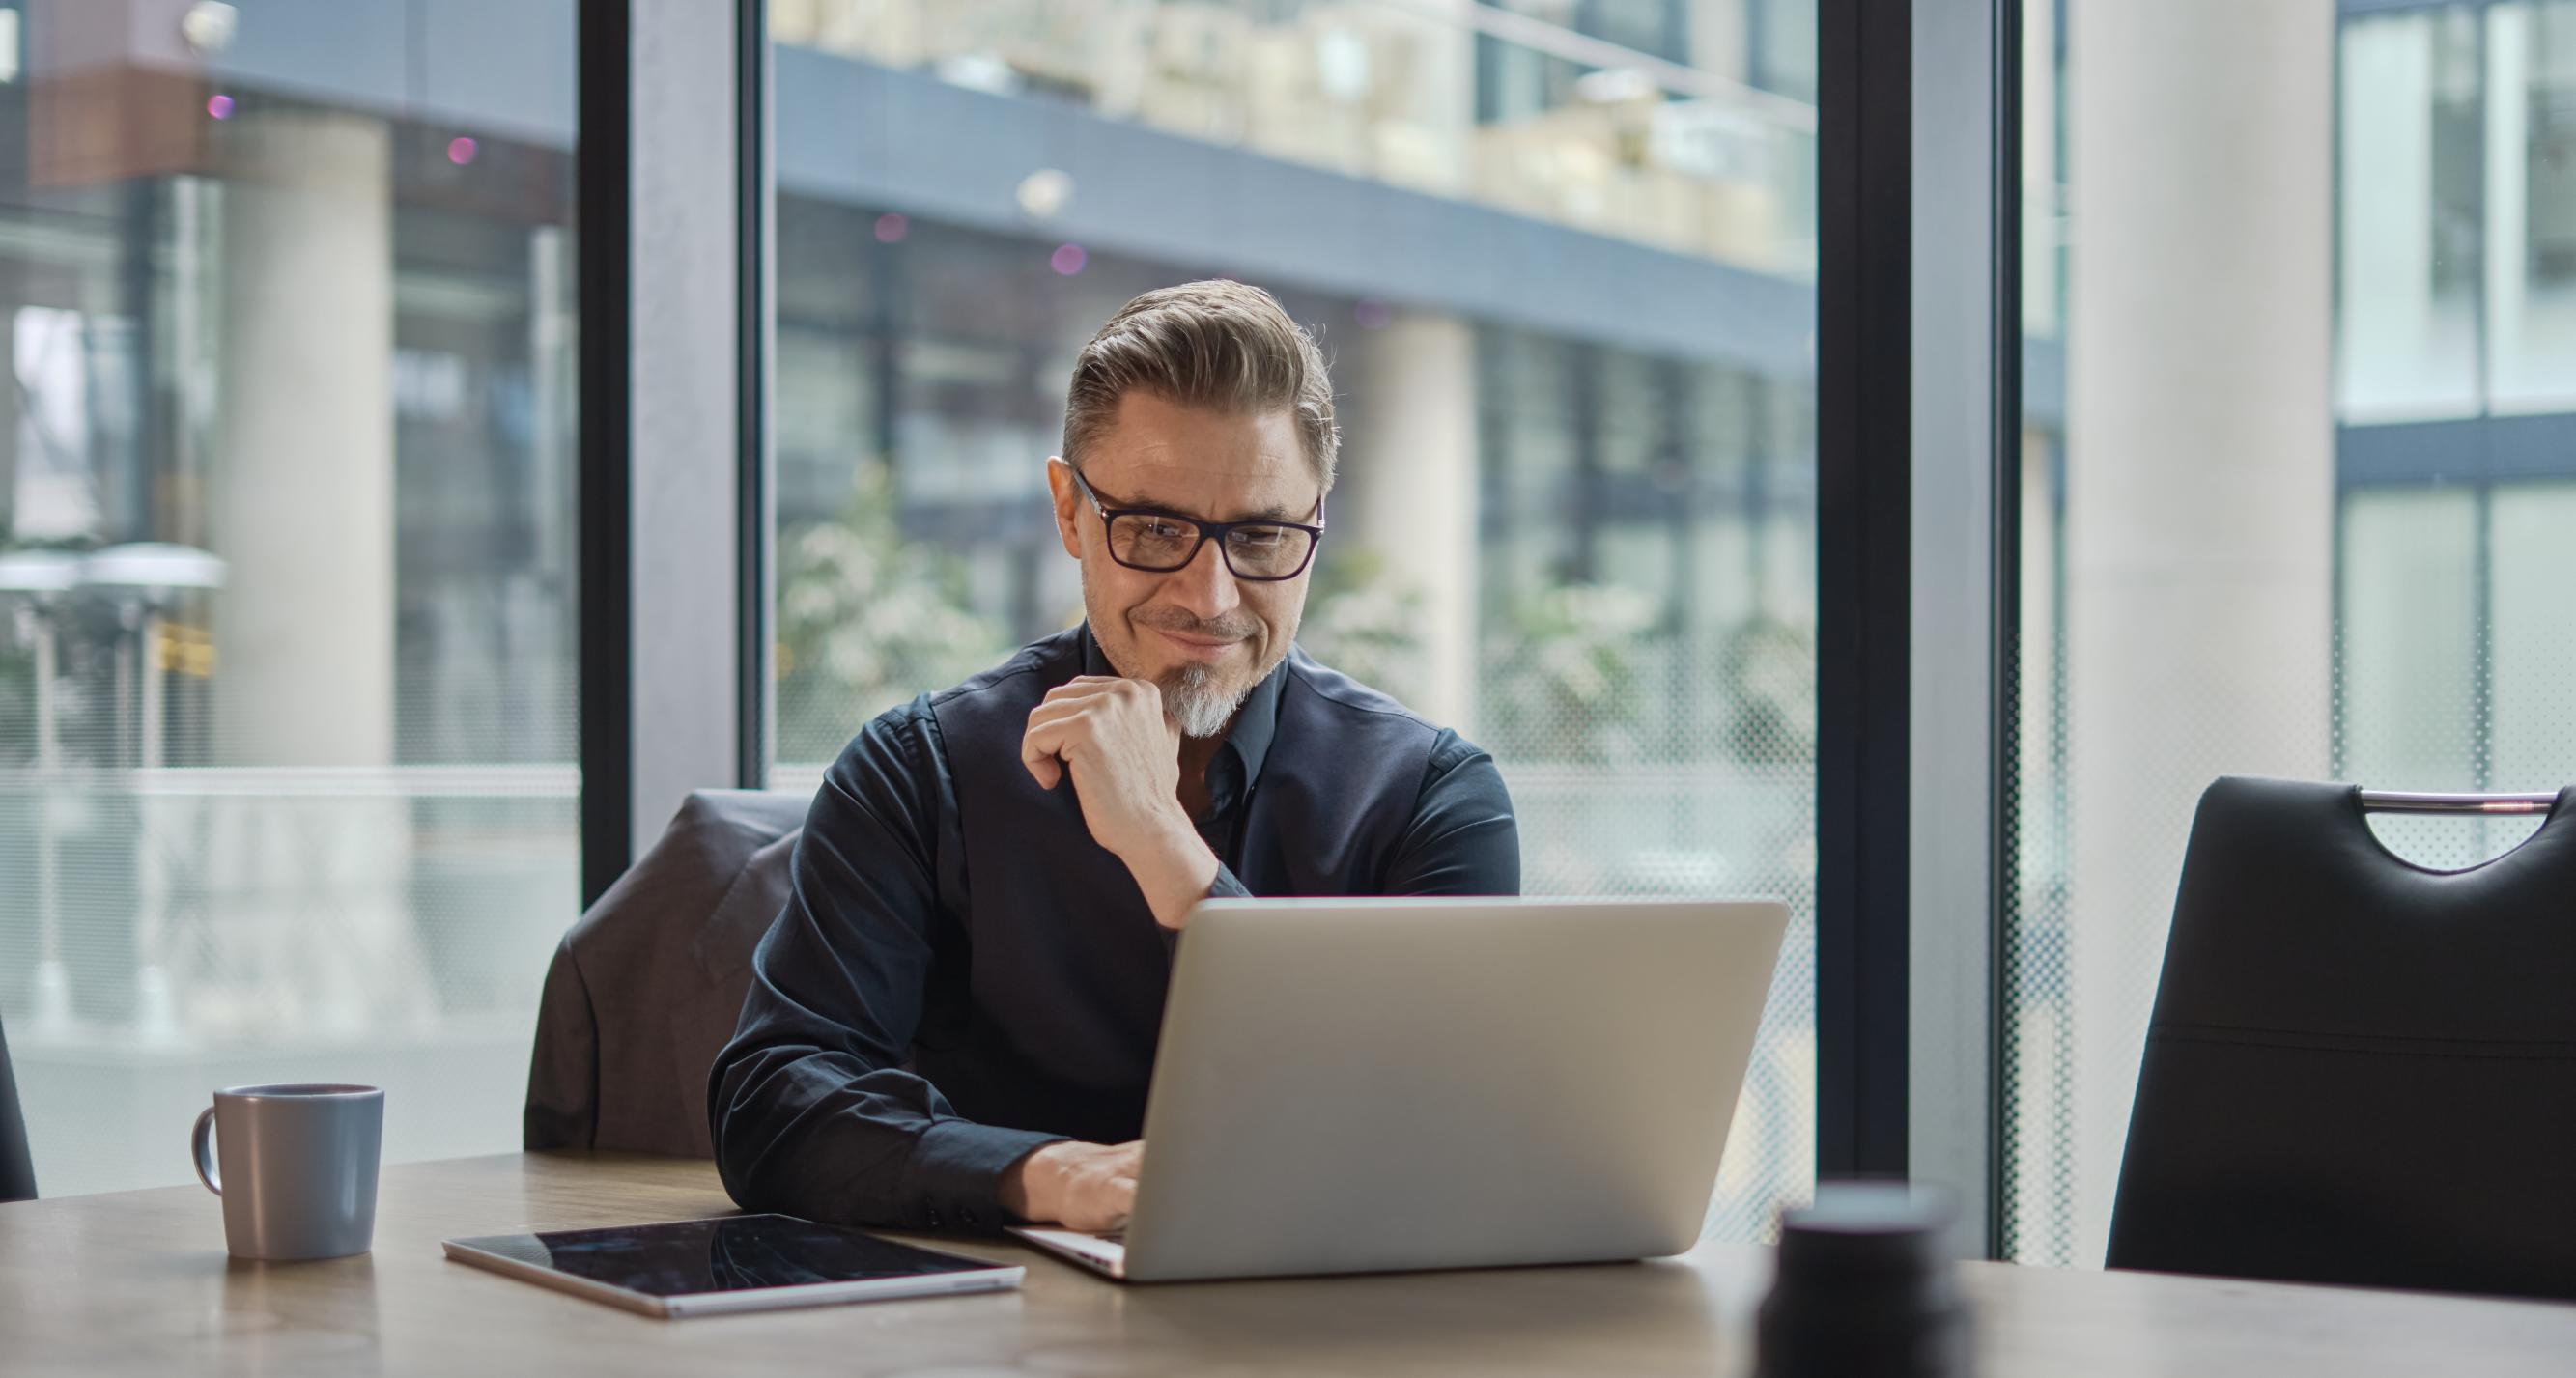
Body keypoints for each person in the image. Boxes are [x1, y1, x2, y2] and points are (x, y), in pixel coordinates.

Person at [708, 280, 1520, 1236]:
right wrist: (1048, 1177)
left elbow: (1434, 1136)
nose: (1211, 596)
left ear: (1316, 523)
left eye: (1261, 535)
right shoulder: (920, 768)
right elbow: (772, 1103)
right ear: (1069, 512)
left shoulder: (1434, 798)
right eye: (1155, 530)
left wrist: (1162, 844)